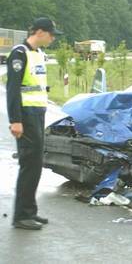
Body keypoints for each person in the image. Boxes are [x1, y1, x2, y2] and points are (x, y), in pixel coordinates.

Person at [7, 17, 63, 230]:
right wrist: (15, 120)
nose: (53, 38)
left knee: (36, 164)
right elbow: (13, 89)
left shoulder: (38, 54)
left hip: (37, 114)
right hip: (25, 116)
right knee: (29, 164)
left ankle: (30, 210)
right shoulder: (19, 53)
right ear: (40, 32)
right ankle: (21, 216)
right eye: (51, 34)